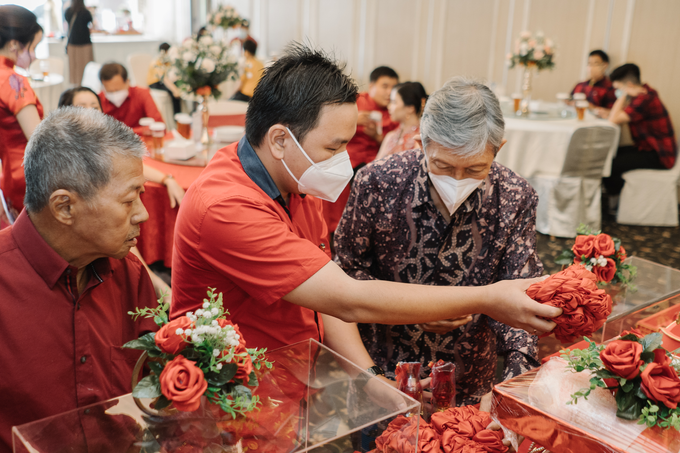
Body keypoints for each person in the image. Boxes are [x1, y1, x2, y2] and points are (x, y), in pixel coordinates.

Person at [171, 44, 560, 384]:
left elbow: (327, 297)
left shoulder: (299, 182)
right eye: (334, 147)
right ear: (279, 140)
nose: (343, 162)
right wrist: (487, 299)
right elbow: (347, 296)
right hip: (233, 385)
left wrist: (371, 380)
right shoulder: (225, 206)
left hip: (291, 373)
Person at [335, 76, 542, 408]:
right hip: (387, 372)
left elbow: (524, 291)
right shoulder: (378, 182)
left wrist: (510, 391)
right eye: (443, 165)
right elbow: (344, 277)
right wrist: (414, 308)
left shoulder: (514, 196)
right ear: (421, 144)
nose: (457, 180)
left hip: (471, 377)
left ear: (498, 149)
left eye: (475, 168)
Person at [0, 107, 157, 453]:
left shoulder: (128, 274)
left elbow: (153, 386)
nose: (143, 214)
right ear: (65, 208)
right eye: (129, 200)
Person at [58, 86, 185, 302]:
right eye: (82, 107)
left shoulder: (101, 144)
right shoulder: (65, 154)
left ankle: (155, 283)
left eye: (94, 106)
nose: (91, 111)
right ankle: (155, 286)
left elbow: (133, 166)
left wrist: (167, 179)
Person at [322, 66, 399, 235]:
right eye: (384, 86)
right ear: (371, 86)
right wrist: (354, 120)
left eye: (392, 88)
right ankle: (335, 229)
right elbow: (330, 125)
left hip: (376, 160)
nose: (389, 93)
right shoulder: (354, 102)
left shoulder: (394, 110)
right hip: (349, 156)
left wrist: (378, 137)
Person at [604, 63, 677, 206]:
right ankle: (617, 198)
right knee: (610, 155)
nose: (616, 93)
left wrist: (623, 96)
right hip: (648, 148)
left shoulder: (644, 99)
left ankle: (616, 202)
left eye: (618, 88)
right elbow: (621, 115)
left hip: (659, 155)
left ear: (629, 85)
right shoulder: (646, 93)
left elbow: (613, 119)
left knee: (610, 164)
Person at [0, 5, 44, 222]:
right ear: (14, 44)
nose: (34, 56)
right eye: (33, 47)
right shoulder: (14, 80)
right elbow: (39, 140)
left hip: (8, 173)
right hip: (29, 175)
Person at [98, 62, 163, 131]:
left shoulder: (141, 94)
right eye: (110, 91)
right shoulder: (98, 100)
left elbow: (159, 126)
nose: (114, 95)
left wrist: (124, 134)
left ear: (128, 82)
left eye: (117, 90)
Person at [375, 81, 427, 161]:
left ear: (410, 108)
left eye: (394, 102)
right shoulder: (390, 136)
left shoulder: (421, 138)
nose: (389, 107)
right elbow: (374, 166)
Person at [570, 49, 616, 117]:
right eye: (589, 63)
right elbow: (569, 100)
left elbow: (612, 112)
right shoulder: (580, 85)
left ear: (605, 65)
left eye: (595, 64)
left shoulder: (610, 88)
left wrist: (592, 108)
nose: (591, 67)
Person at [64, 0, 93, 86]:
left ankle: (76, 87)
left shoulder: (68, 11)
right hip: (85, 44)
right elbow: (90, 24)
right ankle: (85, 85)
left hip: (73, 44)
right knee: (86, 67)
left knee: (75, 68)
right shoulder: (86, 12)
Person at [147, 42, 182, 114]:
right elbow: (163, 78)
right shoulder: (156, 62)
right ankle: (177, 116)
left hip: (164, 81)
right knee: (172, 92)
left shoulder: (168, 62)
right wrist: (174, 90)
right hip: (154, 83)